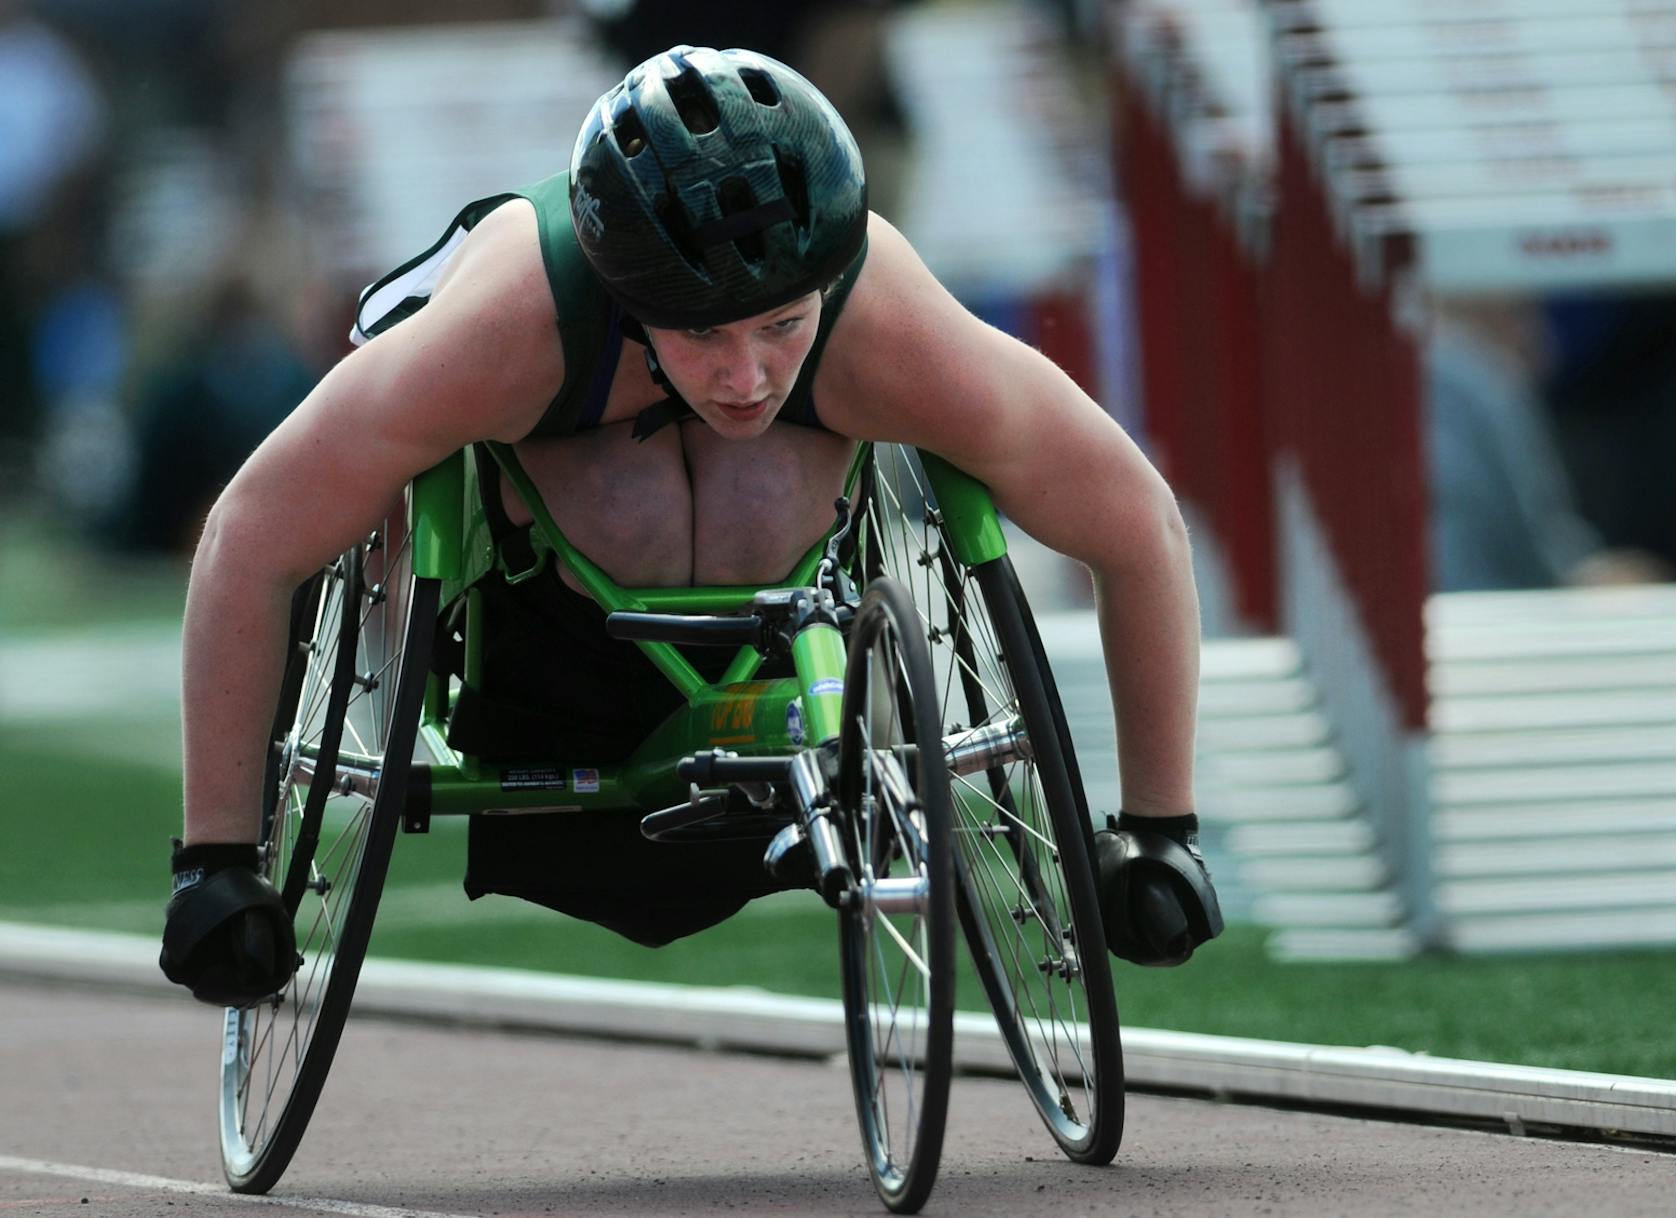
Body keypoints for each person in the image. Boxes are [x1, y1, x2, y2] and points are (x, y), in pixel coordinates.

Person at [159, 47, 1221, 1008]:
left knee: (762, 473)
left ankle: (795, 677)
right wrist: (216, 857)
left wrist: (1162, 829)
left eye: (782, 324)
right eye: (704, 333)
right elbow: (251, 535)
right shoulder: (512, 322)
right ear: (630, 296)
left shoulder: (882, 321)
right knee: (634, 493)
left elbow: (1134, 522)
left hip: (786, 652)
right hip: (555, 676)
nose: (748, 375)